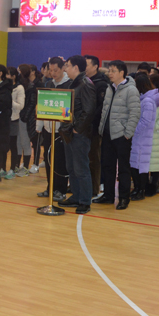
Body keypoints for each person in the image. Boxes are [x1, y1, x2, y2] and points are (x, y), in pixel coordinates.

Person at [94, 60, 140, 210]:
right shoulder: (110, 88)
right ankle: (108, 195)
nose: (110, 73)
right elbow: (104, 110)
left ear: (122, 72)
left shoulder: (131, 90)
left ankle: (124, 198)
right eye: (109, 70)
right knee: (108, 166)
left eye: (113, 71)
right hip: (107, 134)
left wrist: (128, 133)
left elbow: (135, 113)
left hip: (121, 136)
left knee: (124, 169)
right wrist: (101, 129)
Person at [55, 56, 96, 214]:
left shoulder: (86, 84)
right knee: (71, 167)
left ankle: (85, 201)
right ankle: (76, 196)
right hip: (69, 132)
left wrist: (77, 128)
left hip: (79, 133)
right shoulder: (74, 83)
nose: (65, 69)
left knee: (81, 168)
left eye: (67, 65)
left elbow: (89, 110)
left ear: (76, 67)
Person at [35, 57, 71, 201]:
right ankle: (50, 188)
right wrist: (39, 125)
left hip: (61, 130)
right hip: (48, 129)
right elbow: (42, 105)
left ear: (63, 68)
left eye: (56, 70)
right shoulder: (48, 83)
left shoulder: (69, 84)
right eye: (50, 70)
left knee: (60, 162)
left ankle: (61, 190)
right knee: (48, 160)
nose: (53, 73)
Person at [131, 73, 158, 201]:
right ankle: (137, 188)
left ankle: (141, 190)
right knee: (135, 165)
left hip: (142, 138)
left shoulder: (148, 101)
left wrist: (133, 130)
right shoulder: (144, 99)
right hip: (139, 138)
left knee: (141, 166)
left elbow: (145, 121)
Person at [85, 55, 109, 198]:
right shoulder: (83, 80)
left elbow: (101, 107)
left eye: (87, 64)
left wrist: (88, 118)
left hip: (94, 127)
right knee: (82, 158)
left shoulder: (101, 84)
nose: (84, 67)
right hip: (82, 126)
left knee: (93, 158)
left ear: (95, 67)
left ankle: (94, 189)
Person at [10, 66, 32, 177]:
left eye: (19, 70)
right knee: (17, 142)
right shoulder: (16, 85)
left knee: (25, 142)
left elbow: (30, 104)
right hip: (16, 118)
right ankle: (16, 165)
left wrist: (25, 117)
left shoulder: (28, 86)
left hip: (24, 118)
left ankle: (26, 167)